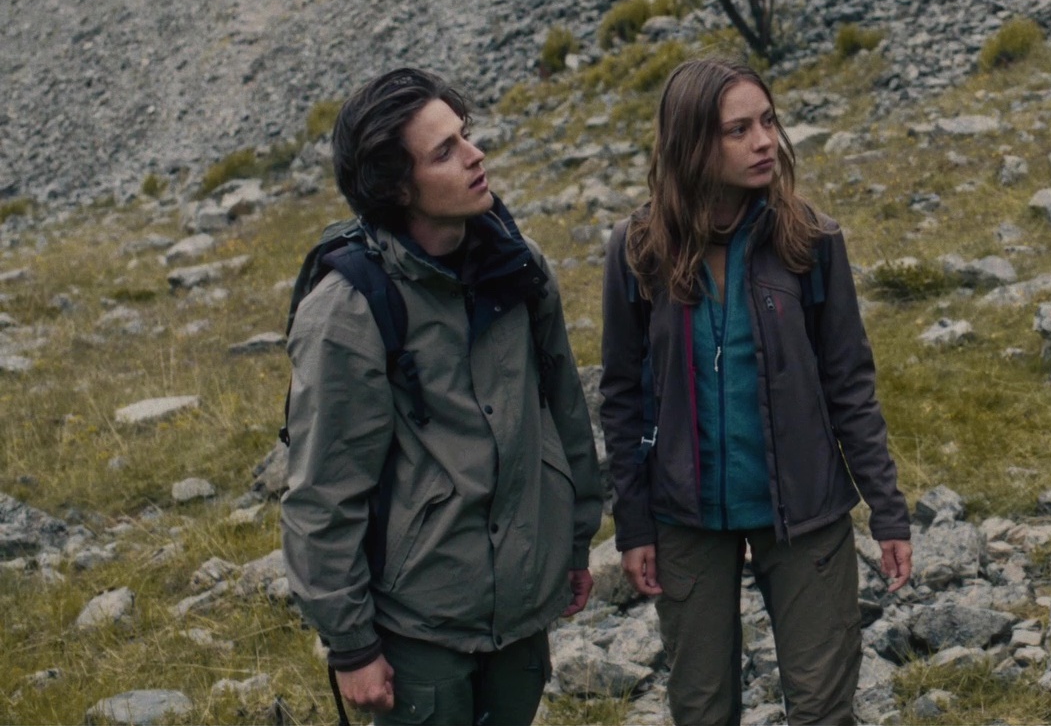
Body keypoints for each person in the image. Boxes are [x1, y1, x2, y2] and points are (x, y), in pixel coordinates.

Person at [282, 68, 603, 725]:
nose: (475, 155)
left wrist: (574, 544)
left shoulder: (520, 266)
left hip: (522, 611)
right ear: (397, 187)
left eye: (467, 136)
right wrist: (352, 645)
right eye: (445, 152)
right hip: (419, 630)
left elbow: (564, 409)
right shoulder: (346, 314)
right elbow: (323, 492)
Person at [600, 56, 912, 726]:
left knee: (823, 708)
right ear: (691, 143)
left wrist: (888, 511)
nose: (765, 140)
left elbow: (850, 385)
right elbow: (622, 397)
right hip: (684, 516)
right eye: (738, 129)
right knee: (701, 708)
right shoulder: (637, 249)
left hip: (805, 509)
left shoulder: (812, 240)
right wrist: (634, 524)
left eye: (768, 121)